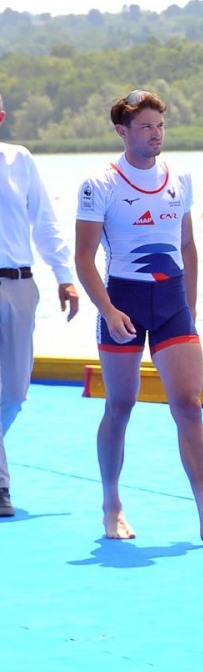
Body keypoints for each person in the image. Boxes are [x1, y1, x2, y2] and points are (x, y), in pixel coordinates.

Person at [74, 90, 203, 541]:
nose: (156, 135)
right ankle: (111, 504)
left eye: (160, 126)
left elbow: (187, 245)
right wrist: (108, 312)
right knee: (120, 404)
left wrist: (190, 306)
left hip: (172, 304)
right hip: (123, 304)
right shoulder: (101, 183)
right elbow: (84, 258)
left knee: (189, 405)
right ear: (122, 131)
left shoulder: (179, 177)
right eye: (146, 127)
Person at [0, 92, 80, 516]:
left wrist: (64, 276)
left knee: (14, 392)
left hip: (18, 284)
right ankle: (1, 486)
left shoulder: (19, 160)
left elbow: (45, 221)